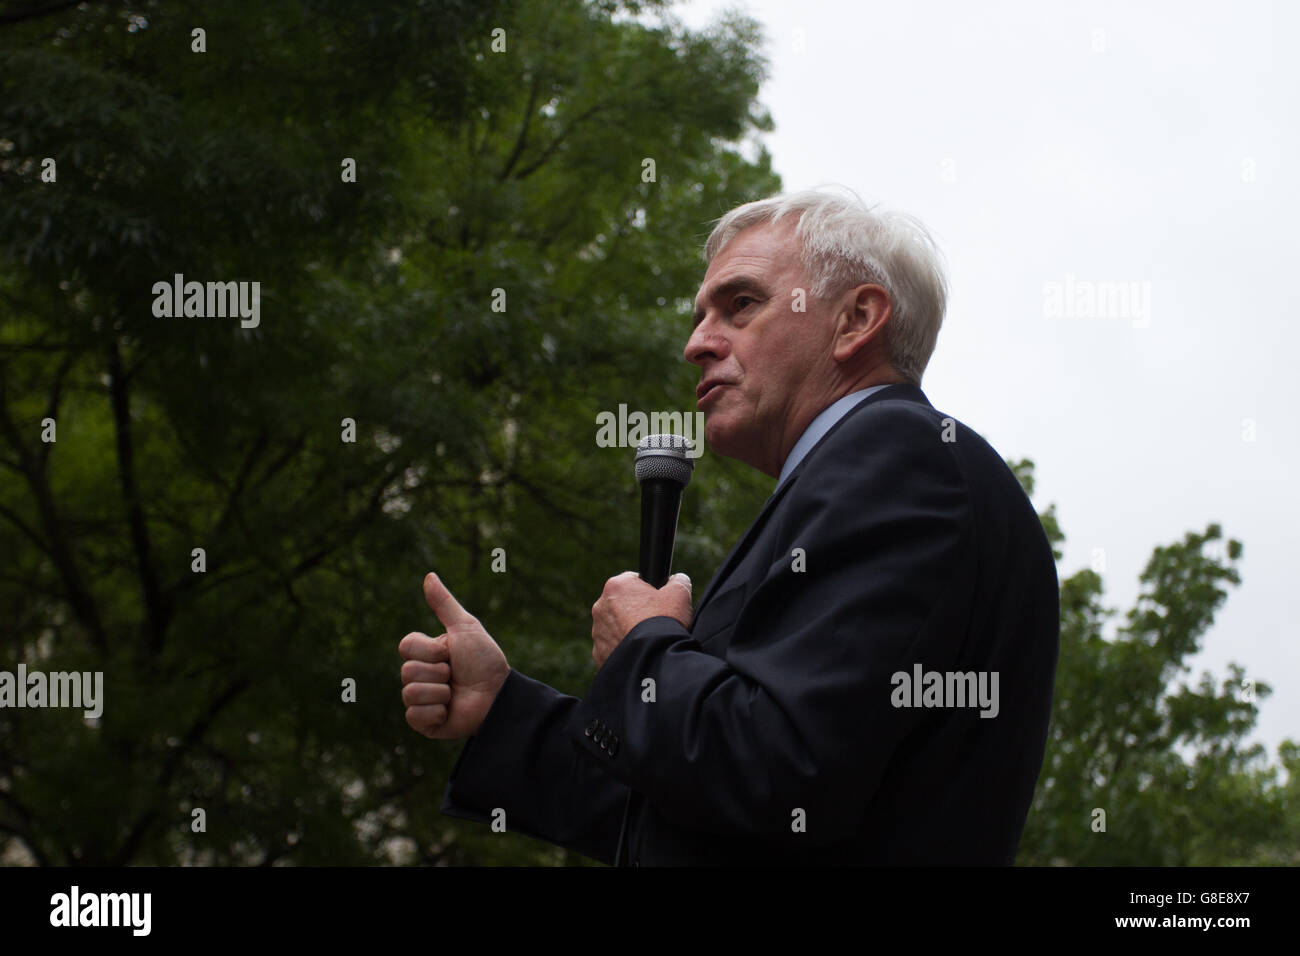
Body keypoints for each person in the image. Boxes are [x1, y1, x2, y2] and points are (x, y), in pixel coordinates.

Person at [398, 188, 1060, 865]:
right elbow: (686, 810)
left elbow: (783, 772)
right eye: (698, 317)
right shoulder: (865, 477)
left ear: (856, 319)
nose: (695, 345)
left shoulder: (901, 458)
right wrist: (502, 711)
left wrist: (644, 648)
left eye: (741, 304)